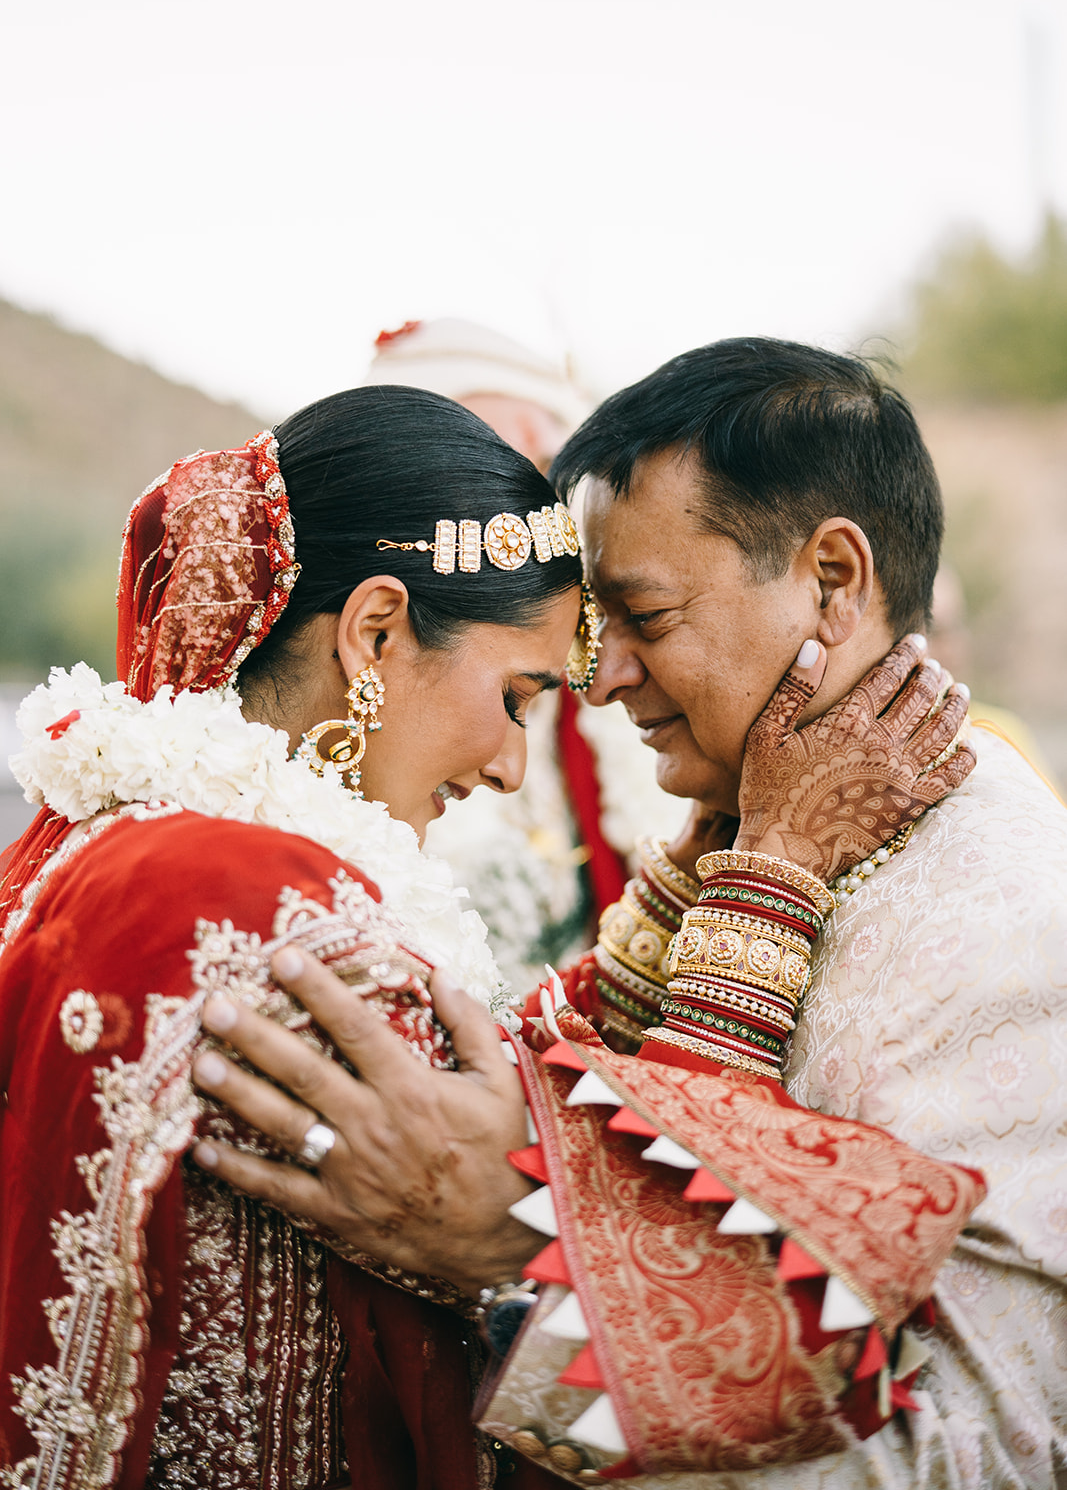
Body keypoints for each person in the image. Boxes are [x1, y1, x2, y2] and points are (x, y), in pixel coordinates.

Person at [0, 364, 972, 1490]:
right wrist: (775, 876)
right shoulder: (292, 937)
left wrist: (698, 870)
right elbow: (601, 1376)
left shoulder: (119, 845)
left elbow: (502, 1059)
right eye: (516, 694)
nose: (514, 764)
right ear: (373, 634)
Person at [365, 318, 688, 983]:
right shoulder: (330, 733)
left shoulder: (603, 705)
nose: (543, 485)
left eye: (553, 458)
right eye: (517, 456)